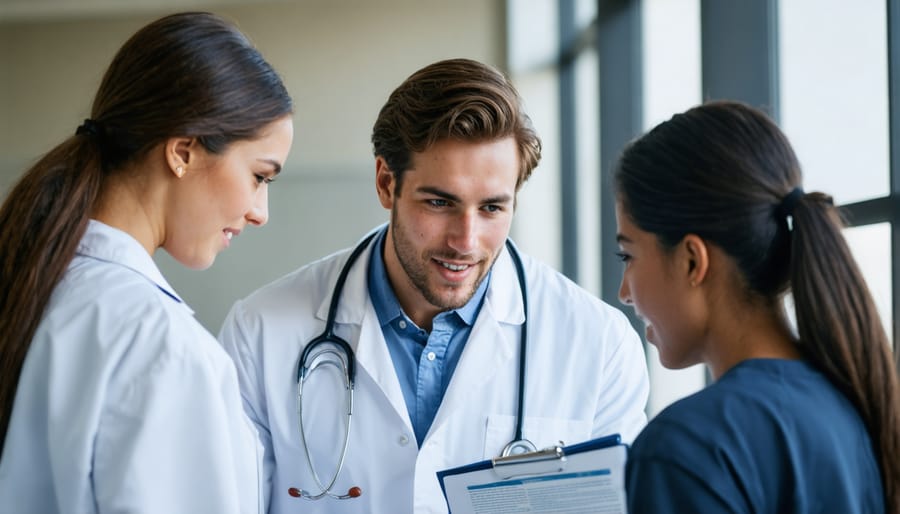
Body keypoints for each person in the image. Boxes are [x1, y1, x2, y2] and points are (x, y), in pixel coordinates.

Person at [218, 57, 649, 514]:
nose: (466, 241)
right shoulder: (261, 332)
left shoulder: (599, 345)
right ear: (387, 183)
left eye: (492, 209)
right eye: (440, 202)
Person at [0, 12, 294, 514]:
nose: (259, 212)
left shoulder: (34, 280)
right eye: (259, 177)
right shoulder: (164, 348)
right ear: (183, 151)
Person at [614, 100, 900, 513]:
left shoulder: (684, 448)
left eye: (629, 256)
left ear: (692, 261)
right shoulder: (852, 407)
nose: (625, 291)